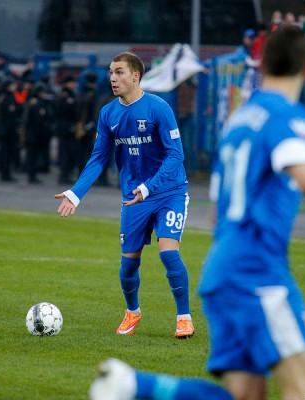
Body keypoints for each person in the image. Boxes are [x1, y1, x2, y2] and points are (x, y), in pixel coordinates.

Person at [89, 26, 305, 400]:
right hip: (258, 272)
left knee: (246, 395)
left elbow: (218, 210)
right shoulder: (285, 115)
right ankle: (137, 385)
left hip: (221, 271)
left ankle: (138, 385)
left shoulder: (240, 119)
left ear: (261, 66)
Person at [55, 52, 195, 339]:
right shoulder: (108, 113)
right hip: (134, 197)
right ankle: (133, 311)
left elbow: (176, 155)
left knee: (169, 254)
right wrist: (75, 193)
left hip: (169, 191)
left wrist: (148, 187)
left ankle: (184, 317)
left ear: (135, 76)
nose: (113, 78)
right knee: (128, 263)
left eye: (119, 72)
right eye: (111, 72)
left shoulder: (159, 108)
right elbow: (98, 158)